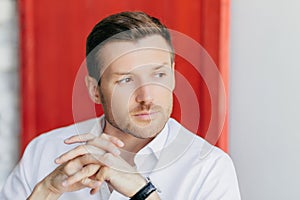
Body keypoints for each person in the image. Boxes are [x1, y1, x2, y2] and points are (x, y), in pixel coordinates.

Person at [0, 11, 240, 199]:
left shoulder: (209, 168)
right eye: (126, 80)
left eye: (159, 76)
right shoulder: (43, 152)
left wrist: (143, 193)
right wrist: (48, 191)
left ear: (174, 76)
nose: (147, 97)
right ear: (95, 90)